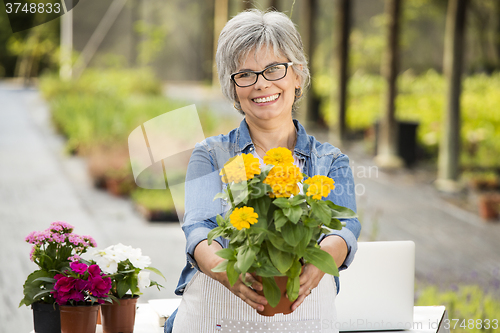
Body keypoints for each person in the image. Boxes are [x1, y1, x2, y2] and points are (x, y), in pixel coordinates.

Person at [165, 9, 361, 333]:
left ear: (297, 75)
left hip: (307, 320)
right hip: (213, 320)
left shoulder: (330, 160)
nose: (261, 84)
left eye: (274, 69)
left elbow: (345, 227)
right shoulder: (211, 155)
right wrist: (226, 271)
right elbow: (199, 228)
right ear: (234, 89)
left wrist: (319, 261)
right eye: (245, 74)